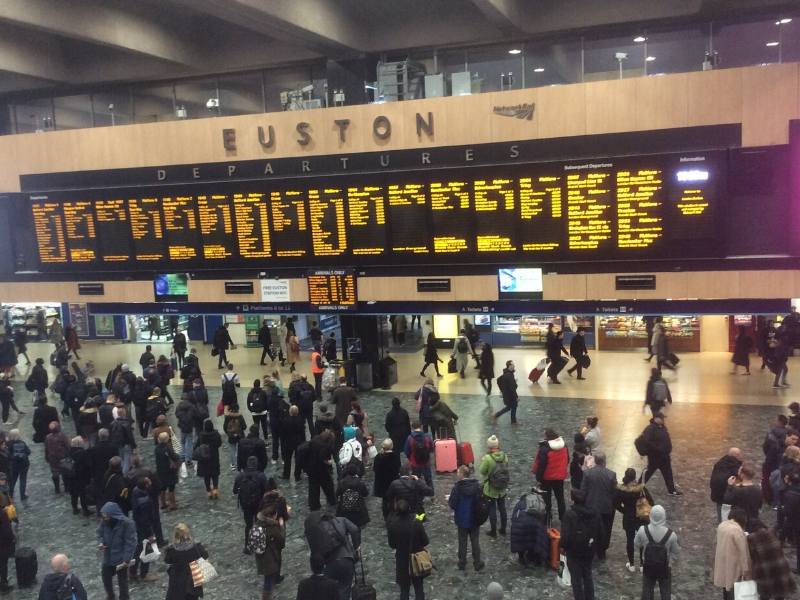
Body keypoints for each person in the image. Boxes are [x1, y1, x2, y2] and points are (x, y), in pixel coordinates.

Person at [560, 488, 604, 600]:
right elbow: (601, 533)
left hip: (573, 553)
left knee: (576, 580)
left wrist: (563, 547)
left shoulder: (569, 515)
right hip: (589, 550)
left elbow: (566, 537)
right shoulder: (595, 514)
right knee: (588, 575)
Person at [387, 498, 429, 600]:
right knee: (419, 588)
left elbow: (392, 545)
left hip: (402, 560)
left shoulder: (392, 525)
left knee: (404, 590)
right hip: (416, 559)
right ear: (409, 508)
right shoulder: (417, 522)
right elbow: (426, 541)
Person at [634, 504, 679, 600]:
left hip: (648, 565)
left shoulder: (642, 530)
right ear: (664, 516)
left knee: (647, 591)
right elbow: (676, 551)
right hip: (665, 567)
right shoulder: (671, 534)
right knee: (665, 592)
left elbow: (636, 544)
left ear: (651, 515)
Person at [615, 468, 654, 573]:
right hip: (641, 517)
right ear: (634, 476)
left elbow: (616, 504)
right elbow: (651, 501)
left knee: (629, 540)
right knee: (642, 540)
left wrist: (625, 511)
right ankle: (642, 564)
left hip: (628, 518)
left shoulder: (621, 490)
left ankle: (631, 564)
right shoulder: (641, 488)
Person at [580, 450, 617, 560]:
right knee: (606, 529)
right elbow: (614, 492)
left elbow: (583, 491)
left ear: (595, 461)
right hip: (606, 508)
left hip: (591, 507)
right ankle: (602, 551)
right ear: (604, 461)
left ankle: (591, 548)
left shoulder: (587, 473)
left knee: (590, 529)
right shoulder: (611, 475)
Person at [747, 519, 796, 600]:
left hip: (765, 570)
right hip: (780, 567)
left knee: (765, 594)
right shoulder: (772, 532)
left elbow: (751, 555)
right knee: (780, 592)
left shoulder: (751, 538)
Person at [96, 502, 137, 600]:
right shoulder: (104, 522)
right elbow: (99, 533)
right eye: (104, 517)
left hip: (121, 559)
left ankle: (124, 598)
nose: (104, 519)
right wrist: (100, 542)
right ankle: (110, 596)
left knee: (122, 582)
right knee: (105, 577)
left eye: (106, 516)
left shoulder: (128, 524)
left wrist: (126, 559)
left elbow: (130, 543)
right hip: (108, 557)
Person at [448, 464, 485, 571]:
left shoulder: (457, 488)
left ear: (461, 474)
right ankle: (477, 562)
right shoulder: (477, 486)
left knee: (462, 542)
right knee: (475, 541)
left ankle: (462, 562)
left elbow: (452, 504)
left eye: (458, 472)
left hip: (462, 519)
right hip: (474, 518)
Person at [531, 428, 569, 522]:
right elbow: (567, 459)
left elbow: (542, 465)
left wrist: (538, 477)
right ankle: (563, 517)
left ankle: (548, 517)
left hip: (546, 478)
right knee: (560, 498)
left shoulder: (544, 449)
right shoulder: (564, 446)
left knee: (546, 499)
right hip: (559, 478)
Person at [164, 523, 209, 600]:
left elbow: (167, 560)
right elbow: (205, 555)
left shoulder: (172, 550)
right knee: (192, 596)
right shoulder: (196, 547)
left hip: (177, 578)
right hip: (192, 578)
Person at [638, 414, 682, 495]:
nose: (663, 419)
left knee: (668, 473)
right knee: (648, 473)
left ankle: (672, 490)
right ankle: (638, 488)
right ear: (655, 418)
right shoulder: (650, 428)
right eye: (661, 418)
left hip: (665, 457)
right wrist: (658, 449)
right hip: (655, 458)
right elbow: (647, 442)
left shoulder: (662, 427)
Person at [713, 507, 751, 600]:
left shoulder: (722, 525)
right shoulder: (737, 531)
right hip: (733, 566)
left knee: (725, 588)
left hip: (722, 563)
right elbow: (743, 553)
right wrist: (746, 571)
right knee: (732, 590)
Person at [234, 455, 268, 554]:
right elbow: (266, 490)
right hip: (259, 504)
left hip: (246, 505)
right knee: (259, 524)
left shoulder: (240, 476)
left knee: (248, 525)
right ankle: (260, 545)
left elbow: (235, 491)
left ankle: (247, 546)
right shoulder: (261, 476)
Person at [253, 504, 286, 600]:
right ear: (271, 516)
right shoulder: (272, 528)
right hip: (270, 557)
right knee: (268, 580)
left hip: (260, 556)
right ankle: (266, 597)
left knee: (267, 577)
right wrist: (281, 526)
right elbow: (281, 542)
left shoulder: (258, 524)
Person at [129, 477, 159, 583]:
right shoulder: (145, 501)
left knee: (137, 550)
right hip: (145, 528)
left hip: (138, 526)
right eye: (149, 482)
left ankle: (132, 572)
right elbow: (146, 519)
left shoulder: (135, 491)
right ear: (146, 486)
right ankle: (143, 574)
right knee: (147, 550)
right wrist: (150, 534)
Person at [479, 435, 509, 538]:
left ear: (489, 446)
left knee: (492, 509)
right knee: (502, 508)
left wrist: (483, 460)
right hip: (502, 488)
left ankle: (493, 531)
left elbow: (482, 471)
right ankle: (503, 529)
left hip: (491, 489)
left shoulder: (488, 458)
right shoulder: (504, 456)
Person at [722, 462, 762, 531]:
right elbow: (759, 505)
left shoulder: (738, 490)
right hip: (753, 520)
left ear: (743, 475)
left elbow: (727, 500)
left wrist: (729, 486)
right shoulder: (758, 489)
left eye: (739, 470)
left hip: (740, 521)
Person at [306, 430, 337, 511]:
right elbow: (322, 459)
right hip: (321, 469)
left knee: (313, 488)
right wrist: (329, 462)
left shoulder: (315, 439)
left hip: (310, 467)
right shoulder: (325, 447)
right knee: (328, 485)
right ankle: (332, 500)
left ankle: (314, 505)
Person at [336, 461, 370, 528]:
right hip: (358, 512)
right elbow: (365, 494)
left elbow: (337, 494)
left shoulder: (342, 482)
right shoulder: (360, 482)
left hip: (344, 512)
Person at [194, 418, 222, 499]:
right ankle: (215, 489)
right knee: (215, 474)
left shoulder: (201, 435)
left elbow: (196, 445)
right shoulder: (216, 434)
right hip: (214, 456)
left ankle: (209, 491)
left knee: (206, 475)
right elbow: (219, 443)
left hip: (204, 458)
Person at [65, 436, 92, 516]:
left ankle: (75, 509)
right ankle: (85, 510)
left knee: (73, 494)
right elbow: (88, 465)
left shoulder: (69, 452)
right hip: (81, 477)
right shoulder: (83, 453)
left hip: (71, 477)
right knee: (82, 494)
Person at [405, 421, 434, 490]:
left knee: (415, 480)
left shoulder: (410, 438)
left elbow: (407, 451)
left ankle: (416, 496)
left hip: (415, 463)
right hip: (426, 462)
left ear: (412, 428)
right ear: (421, 427)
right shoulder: (427, 437)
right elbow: (431, 449)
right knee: (428, 479)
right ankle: (431, 494)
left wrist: (410, 459)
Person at [155, 432, 180, 511]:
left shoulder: (156, 448)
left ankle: (163, 503)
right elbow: (174, 457)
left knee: (163, 487)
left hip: (160, 470)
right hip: (169, 470)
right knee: (171, 487)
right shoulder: (168, 448)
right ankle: (172, 504)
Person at [280, 405, 306, 481]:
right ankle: (297, 475)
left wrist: (283, 442)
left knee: (287, 459)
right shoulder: (300, 420)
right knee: (298, 459)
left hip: (288, 442)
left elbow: (283, 433)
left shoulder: (285, 420)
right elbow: (302, 433)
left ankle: (286, 475)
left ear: (290, 412)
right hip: (298, 442)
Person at [45, 421, 71, 494]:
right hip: (63, 457)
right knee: (65, 473)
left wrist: (47, 457)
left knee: (55, 473)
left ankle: (57, 489)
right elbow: (68, 446)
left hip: (53, 458)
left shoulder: (48, 437)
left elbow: (46, 448)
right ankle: (66, 488)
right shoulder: (62, 436)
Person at [493, 360, 519, 425]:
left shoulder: (507, 373)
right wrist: (516, 397)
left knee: (509, 407)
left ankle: (496, 415)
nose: (514, 366)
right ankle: (513, 422)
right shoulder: (509, 375)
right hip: (510, 395)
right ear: (509, 366)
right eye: (513, 365)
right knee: (513, 406)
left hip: (507, 395)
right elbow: (512, 388)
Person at [223, 402, 247, 471]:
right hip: (240, 436)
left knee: (232, 450)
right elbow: (244, 426)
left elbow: (225, 427)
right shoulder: (240, 416)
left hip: (231, 436)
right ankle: (241, 464)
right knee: (241, 450)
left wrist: (229, 433)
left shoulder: (227, 417)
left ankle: (233, 464)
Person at [7, 429, 30, 501]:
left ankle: (10, 495)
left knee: (13, 480)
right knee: (23, 480)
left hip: (14, 465)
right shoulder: (22, 443)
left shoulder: (9, 444)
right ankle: (22, 495)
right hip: (24, 464)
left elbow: (8, 454)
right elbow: (28, 452)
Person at [0, 479, 14, 592]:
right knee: (2, 564)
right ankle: (3, 584)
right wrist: (12, 539)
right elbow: (6, 530)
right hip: (2, 543)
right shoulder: (2, 513)